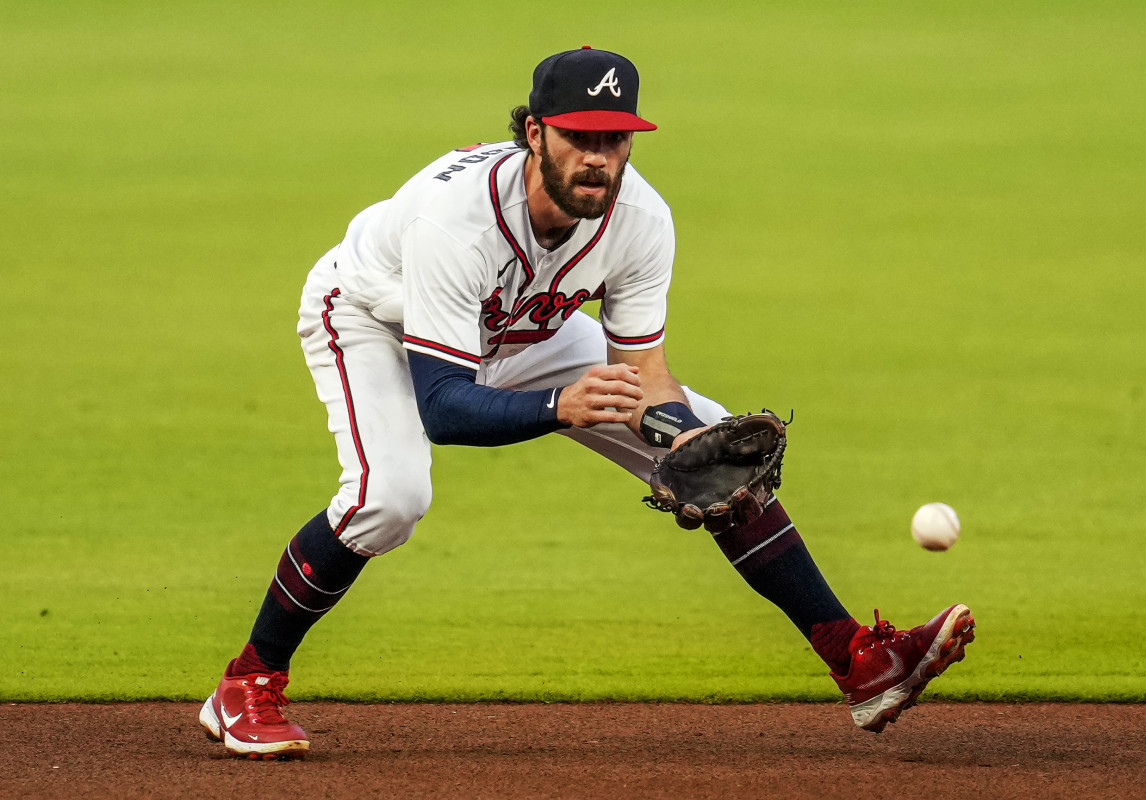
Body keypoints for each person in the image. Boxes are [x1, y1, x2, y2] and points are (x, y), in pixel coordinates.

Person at [199, 46, 975, 760]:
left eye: (616, 139)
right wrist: (560, 406)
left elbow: (646, 375)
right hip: (376, 317)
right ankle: (248, 681)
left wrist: (675, 434)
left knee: (717, 459)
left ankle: (859, 663)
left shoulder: (641, 219)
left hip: (526, 326)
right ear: (535, 134)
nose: (599, 158)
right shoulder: (456, 222)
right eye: (580, 137)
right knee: (391, 497)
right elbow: (443, 405)